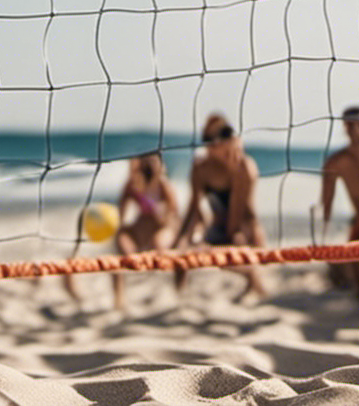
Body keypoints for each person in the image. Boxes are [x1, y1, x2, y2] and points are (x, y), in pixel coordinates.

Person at [172, 113, 267, 301]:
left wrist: (225, 238)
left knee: (238, 252)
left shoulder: (244, 166)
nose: (215, 143)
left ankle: (255, 287)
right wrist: (184, 237)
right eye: (208, 139)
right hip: (218, 224)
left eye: (223, 134)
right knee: (183, 247)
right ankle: (179, 294)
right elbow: (194, 207)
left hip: (245, 227)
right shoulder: (201, 168)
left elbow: (238, 212)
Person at [112, 151, 179, 310]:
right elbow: (120, 214)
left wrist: (160, 214)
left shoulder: (163, 185)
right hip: (142, 226)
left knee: (160, 248)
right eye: (145, 164)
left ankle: (175, 290)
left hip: (162, 227)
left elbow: (174, 214)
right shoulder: (133, 183)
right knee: (121, 243)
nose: (149, 167)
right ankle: (119, 299)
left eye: (153, 163)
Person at [320, 106, 359, 301]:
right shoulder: (336, 162)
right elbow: (326, 205)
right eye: (350, 125)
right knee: (353, 264)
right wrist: (322, 238)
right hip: (358, 222)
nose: (356, 130)